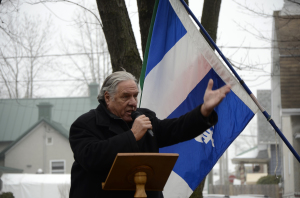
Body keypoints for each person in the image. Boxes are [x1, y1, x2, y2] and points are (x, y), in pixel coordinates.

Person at [69, 71, 231, 198]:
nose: (133, 102)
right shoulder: (84, 125)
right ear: (108, 98)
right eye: (126, 96)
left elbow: (176, 128)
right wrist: (132, 136)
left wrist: (204, 111)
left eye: (135, 96)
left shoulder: (144, 118)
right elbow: (91, 158)